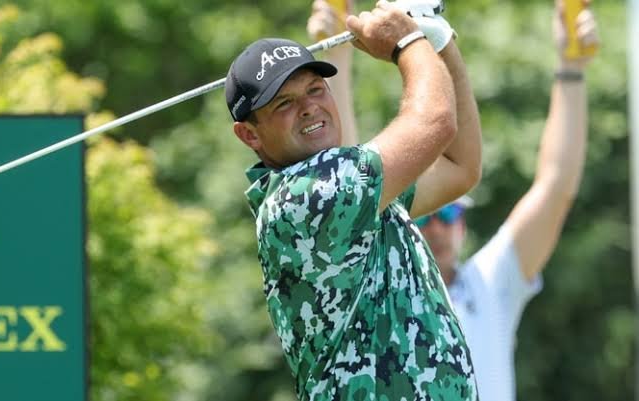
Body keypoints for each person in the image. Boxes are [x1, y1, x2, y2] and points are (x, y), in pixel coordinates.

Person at [309, 1, 600, 400]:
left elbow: (556, 185)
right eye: (425, 215)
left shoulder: (488, 285)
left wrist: (572, 68)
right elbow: (348, 195)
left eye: (449, 212)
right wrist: (337, 57)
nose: (438, 226)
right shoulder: (374, 287)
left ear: (463, 222)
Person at [226, 1, 482, 399]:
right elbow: (434, 121)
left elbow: (459, 167)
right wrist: (408, 43)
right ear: (250, 135)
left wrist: (439, 41)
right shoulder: (305, 197)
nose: (309, 107)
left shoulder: (353, 189)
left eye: (315, 89)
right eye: (284, 103)